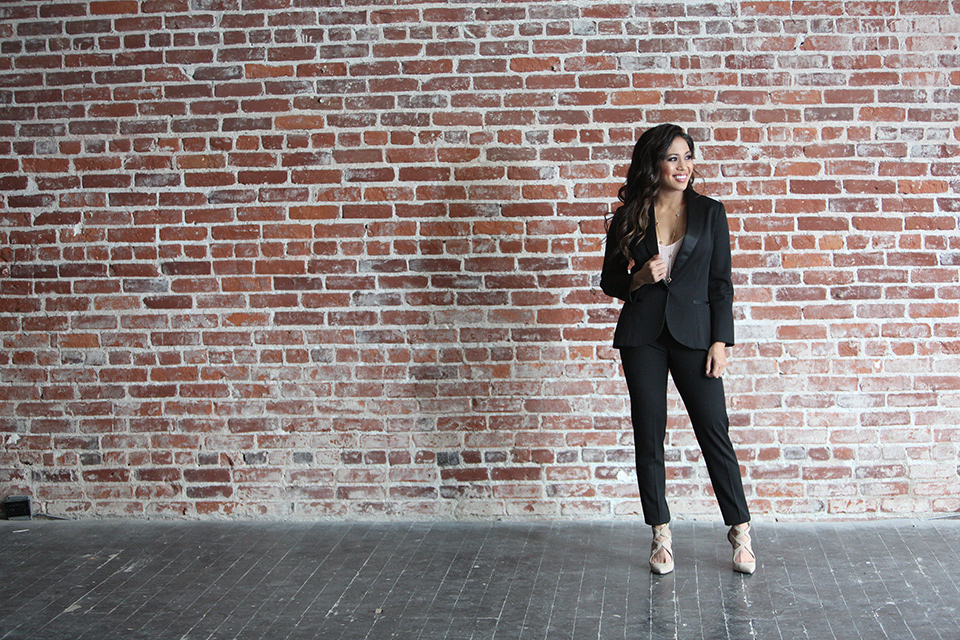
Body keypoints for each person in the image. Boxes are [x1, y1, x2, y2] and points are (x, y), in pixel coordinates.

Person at [600, 123, 756, 575]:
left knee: (714, 432)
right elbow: (609, 280)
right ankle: (660, 535)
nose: (683, 166)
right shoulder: (630, 215)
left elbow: (721, 284)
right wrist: (637, 280)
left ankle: (740, 531)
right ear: (654, 163)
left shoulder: (710, 213)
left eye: (688, 157)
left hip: (696, 336)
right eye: (672, 158)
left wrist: (721, 341)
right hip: (643, 337)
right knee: (650, 436)